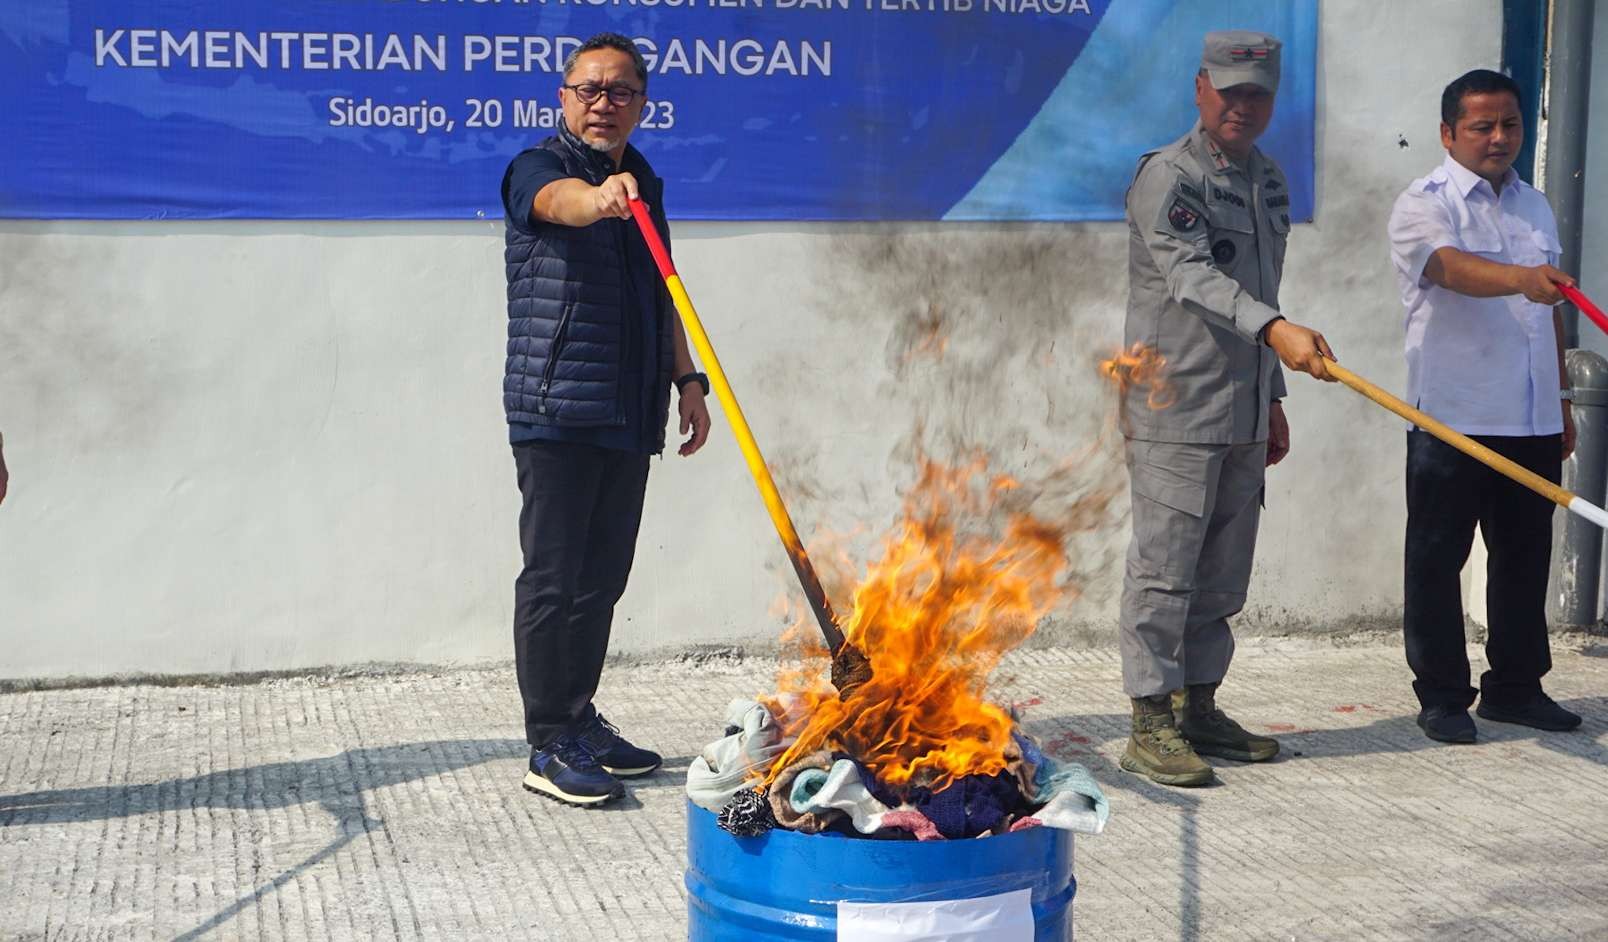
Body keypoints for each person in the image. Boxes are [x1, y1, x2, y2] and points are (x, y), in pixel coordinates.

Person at [1117, 31, 1336, 787]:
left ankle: (1198, 706)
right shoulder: (1169, 177)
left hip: (1242, 405)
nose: (1243, 106)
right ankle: (1149, 719)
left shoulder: (1265, 181)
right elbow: (1193, 278)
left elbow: (1263, 292)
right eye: (1230, 90)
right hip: (1175, 404)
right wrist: (1278, 332)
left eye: (1258, 94)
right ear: (1200, 87)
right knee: (1166, 567)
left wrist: (1272, 395)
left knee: (1222, 573)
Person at [500, 32, 713, 806]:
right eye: (589, 89)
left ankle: (580, 717)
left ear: (641, 104)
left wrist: (688, 380)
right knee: (554, 579)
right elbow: (559, 205)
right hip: (557, 406)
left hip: (629, 407)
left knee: (602, 580)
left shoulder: (644, 178)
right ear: (563, 97)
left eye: (620, 91)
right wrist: (599, 200)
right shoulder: (537, 168)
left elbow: (663, 283)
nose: (603, 103)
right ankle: (546, 742)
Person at [1387, 68, 1581, 744]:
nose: (1500, 138)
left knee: (1526, 557)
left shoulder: (1537, 206)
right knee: (1438, 559)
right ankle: (1442, 695)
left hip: (1530, 415)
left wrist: (1561, 399)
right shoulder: (1424, 203)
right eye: (1483, 126)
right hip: (1453, 416)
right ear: (1448, 133)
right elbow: (1448, 269)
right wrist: (1524, 281)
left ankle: (1517, 689)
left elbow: (1550, 311)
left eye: (1511, 125)